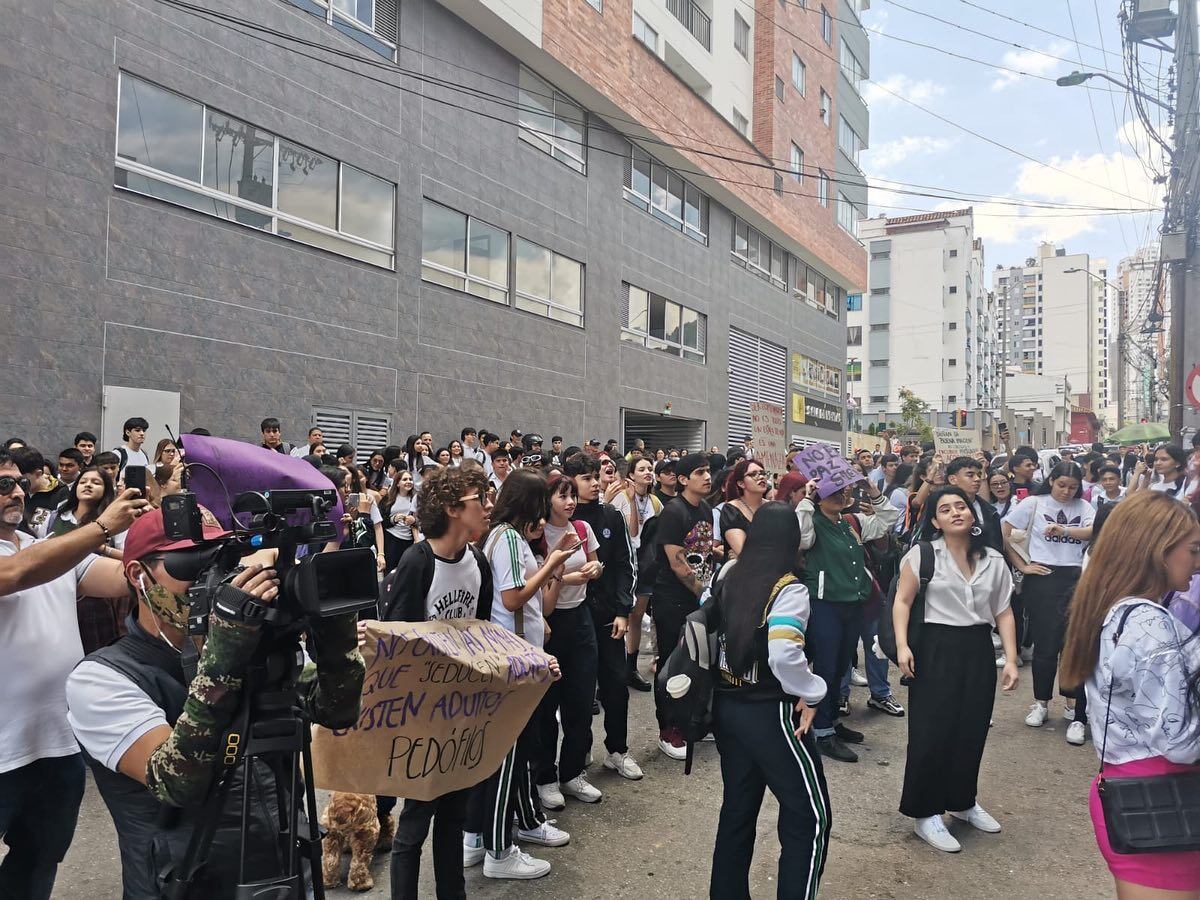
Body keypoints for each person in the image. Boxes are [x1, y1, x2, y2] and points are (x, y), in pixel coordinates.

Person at [64, 505, 363, 898]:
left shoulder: (253, 642)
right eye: (193, 563)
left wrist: (334, 631)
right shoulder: (100, 678)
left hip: (284, 871)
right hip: (187, 883)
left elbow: (336, 710)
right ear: (139, 575)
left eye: (223, 560)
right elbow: (175, 782)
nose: (213, 577)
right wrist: (225, 655)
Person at [0, 450, 148, 899]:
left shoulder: (44, 547)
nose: (17, 492)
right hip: (2, 750)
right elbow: (16, 574)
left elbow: (126, 579)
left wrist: (163, 545)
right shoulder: (35, 555)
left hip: (58, 745)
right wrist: (102, 527)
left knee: (38, 862)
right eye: (3, 485)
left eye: (18, 483)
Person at [1059, 491, 1200, 898]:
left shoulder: (1115, 610)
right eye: (1192, 549)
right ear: (1158, 550)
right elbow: (1178, 740)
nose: (1197, 561)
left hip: (1133, 789)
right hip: (1164, 801)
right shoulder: (1149, 622)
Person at [379, 465, 495, 900]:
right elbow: (395, 641)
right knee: (414, 824)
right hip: (421, 717)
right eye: (477, 499)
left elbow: (482, 634)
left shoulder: (478, 561)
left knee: (453, 818)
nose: (487, 506)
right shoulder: (417, 561)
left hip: (461, 712)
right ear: (450, 509)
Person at [709, 502, 830, 900]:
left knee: (738, 812)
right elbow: (783, 654)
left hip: (728, 707)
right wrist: (813, 691)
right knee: (809, 817)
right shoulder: (789, 588)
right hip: (774, 714)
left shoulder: (728, 574)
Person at [894, 487, 1019, 852]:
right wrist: (902, 645)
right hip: (935, 647)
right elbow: (903, 601)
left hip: (977, 647)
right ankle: (925, 812)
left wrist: (1010, 658)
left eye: (961, 506)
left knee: (972, 727)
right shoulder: (923, 555)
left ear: (972, 514)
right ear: (935, 520)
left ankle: (962, 801)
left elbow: (1004, 611)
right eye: (945, 509)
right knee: (931, 731)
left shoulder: (993, 559)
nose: (955, 513)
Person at [465, 470, 570, 880]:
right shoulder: (508, 538)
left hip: (513, 656)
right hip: (512, 662)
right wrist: (553, 564)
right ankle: (498, 849)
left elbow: (532, 608)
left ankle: (505, 828)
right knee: (507, 758)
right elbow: (513, 599)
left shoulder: (501, 537)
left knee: (518, 751)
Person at [796, 475, 900, 763]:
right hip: (825, 604)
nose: (841, 496)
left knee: (842, 664)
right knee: (827, 667)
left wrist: (875, 492)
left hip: (852, 604)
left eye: (843, 491)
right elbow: (802, 538)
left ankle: (831, 722)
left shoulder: (849, 522)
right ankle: (821, 731)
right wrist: (807, 498)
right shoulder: (812, 520)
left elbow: (887, 520)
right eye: (832, 493)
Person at [1002, 462, 1094, 741]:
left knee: (1074, 646)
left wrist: (1064, 531)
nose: (1067, 491)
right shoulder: (1033, 502)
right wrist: (1023, 566)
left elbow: (1094, 531)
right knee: (1045, 645)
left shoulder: (1085, 508)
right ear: (1051, 481)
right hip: (1042, 577)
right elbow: (1005, 532)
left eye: (1073, 487)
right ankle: (1040, 703)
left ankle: (1076, 710)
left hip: (1076, 579)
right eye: (1061, 484)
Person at [565, 452, 639, 785]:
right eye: (586, 478)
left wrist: (624, 610)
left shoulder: (611, 516)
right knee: (578, 693)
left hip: (610, 615)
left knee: (616, 686)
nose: (596, 483)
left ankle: (618, 751)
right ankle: (577, 755)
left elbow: (626, 565)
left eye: (598, 476)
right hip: (576, 616)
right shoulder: (560, 520)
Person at [536, 472, 609, 810]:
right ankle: (545, 778)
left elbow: (595, 562)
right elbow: (538, 581)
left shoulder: (581, 528)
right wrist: (567, 575)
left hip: (581, 618)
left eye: (571, 496)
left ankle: (572, 773)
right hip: (548, 624)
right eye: (562, 496)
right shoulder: (536, 534)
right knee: (546, 707)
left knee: (581, 701)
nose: (570, 502)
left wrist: (593, 570)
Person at [653, 452, 716, 760]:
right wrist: (700, 590)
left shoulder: (705, 508)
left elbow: (703, 552)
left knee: (700, 663)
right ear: (683, 479)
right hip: (672, 599)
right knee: (671, 665)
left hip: (699, 596)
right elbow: (677, 563)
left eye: (708, 471)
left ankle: (694, 722)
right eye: (700, 472)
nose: (707, 477)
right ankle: (669, 729)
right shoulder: (673, 512)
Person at [611, 456, 662, 691]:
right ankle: (616, 667)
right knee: (622, 614)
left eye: (650, 469)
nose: (647, 472)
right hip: (623, 563)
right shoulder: (621, 499)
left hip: (645, 563)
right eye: (641, 469)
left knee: (637, 614)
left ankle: (631, 667)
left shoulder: (655, 501)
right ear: (631, 475)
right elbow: (632, 533)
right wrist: (631, 501)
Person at [945, 457, 1003, 553]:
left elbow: (997, 544)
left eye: (979, 475)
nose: (977, 479)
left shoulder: (991, 511)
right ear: (952, 479)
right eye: (970, 475)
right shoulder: (939, 507)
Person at [719, 459, 769, 558]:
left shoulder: (774, 507)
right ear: (741, 483)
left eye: (763, 473)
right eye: (753, 474)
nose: (761, 477)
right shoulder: (731, 510)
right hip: (745, 570)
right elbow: (744, 552)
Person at [382, 468, 420, 573]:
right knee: (391, 572)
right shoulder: (388, 498)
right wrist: (393, 519)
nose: (408, 482)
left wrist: (414, 520)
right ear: (398, 483)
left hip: (409, 540)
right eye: (405, 479)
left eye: (410, 479)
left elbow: (424, 520)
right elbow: (380, 521)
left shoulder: (416, 498)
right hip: (391, 539)